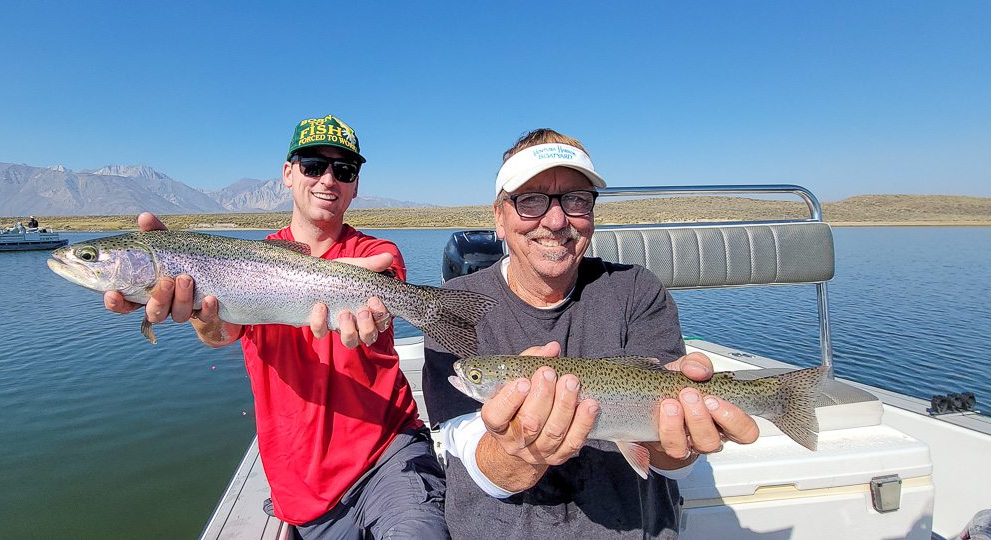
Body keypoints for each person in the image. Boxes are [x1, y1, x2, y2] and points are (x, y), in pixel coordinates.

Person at [104, 115, 449, 539]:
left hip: (388, 451)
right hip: (301, 486)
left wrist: (363, 299)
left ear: (355, 185)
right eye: (312, 165)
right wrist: (200, 315)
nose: (328, 179)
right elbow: (220, 335)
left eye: (344, 171)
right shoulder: (250, 259)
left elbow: (383, 284)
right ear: (288, 173)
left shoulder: (377, 254)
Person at [422, 129, 762, 539]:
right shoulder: (452, 305)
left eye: (576, 199)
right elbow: (469, 451)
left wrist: (680, 443)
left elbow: (668, 460)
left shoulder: (637, 289)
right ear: (498, 216)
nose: (555, 220)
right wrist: (522, 454)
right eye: (530, 200)